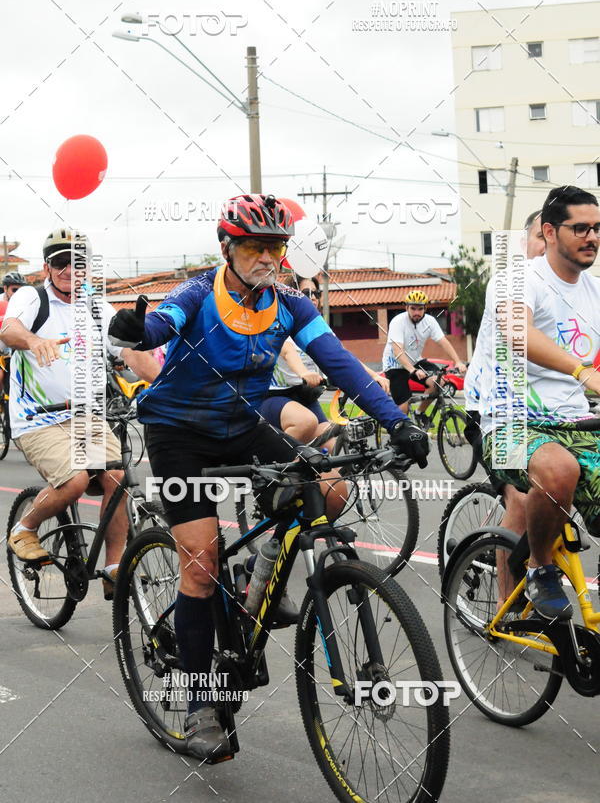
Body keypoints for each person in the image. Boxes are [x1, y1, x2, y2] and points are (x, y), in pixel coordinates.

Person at [108, 193, 429, 761]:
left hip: (242, 423)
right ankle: (200, 705)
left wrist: (397, 421)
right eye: (254, 246)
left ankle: (258, 581)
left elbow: (338, 362)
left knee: (329, 489)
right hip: (179, 432)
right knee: (201, 565)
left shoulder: (290, 304)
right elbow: (160, 324)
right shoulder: (198, 292)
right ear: (226, 247)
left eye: (276, 247)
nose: (267, 257)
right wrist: (136, 328)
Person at [4, 229, 159, 599]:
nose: (68, 270)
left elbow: (127, 350)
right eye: (59, 262)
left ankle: (114, 567)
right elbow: (9, 329)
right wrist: (34, 341)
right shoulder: (31, 297)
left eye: (77, 263)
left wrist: (167, 382)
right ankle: (25, 528)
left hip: (87, 416)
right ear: (47, 267)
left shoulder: (96, 307)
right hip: (37, 417)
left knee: (118, 478)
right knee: (74, 481)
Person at [480, 186, 600, 620]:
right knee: (558, 470)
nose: (592, 237)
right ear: (549, 232)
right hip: (511, 421)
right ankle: (539, 568)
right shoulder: (517, 280)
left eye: (597, 228)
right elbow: (519, 333)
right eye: (580, 228)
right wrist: (581, 371)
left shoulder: (596, 290)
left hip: (576, 421)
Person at [462, 211, 544, 608]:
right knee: (523, 501)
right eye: (541, 237)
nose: (547, 247)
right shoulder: (512, 283)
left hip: (541, 414)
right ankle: (505, 606)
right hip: (492, 410)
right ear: (525, 242)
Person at [261, 272, 390, 445]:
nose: (313, 298)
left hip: (306, 396)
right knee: (305, 423)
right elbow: (288, 351)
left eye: (316, 293)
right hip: (276, 396)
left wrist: (373, 375)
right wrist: (304, 373)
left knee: (331, 445)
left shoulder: (317, 327)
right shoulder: (280, 322)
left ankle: (301, 461)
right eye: (306, 293)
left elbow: (343, 356)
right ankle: (273, 458)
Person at [382, 290, 467, 419]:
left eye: (420, 309)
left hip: (415, 361)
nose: (416, 312)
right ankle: (399, 429)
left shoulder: (430, 321)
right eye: (413, 308)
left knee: (439, 382)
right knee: (403, 408)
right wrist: (412, 370)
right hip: (395, 364)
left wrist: (458, 361)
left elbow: (443, 342)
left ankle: (419, 413)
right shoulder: (398, 322)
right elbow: (397, 351)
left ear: (425, 309)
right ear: (407, 308)